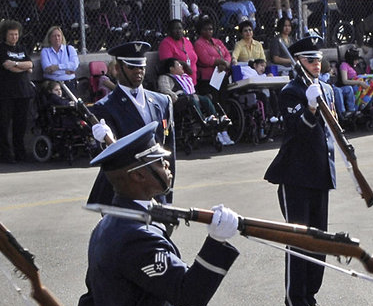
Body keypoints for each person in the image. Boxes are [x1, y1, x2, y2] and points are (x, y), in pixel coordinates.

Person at [78, 121, 240, 306]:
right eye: (159, 161)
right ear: (139, 175)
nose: (168, 164)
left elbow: (91, 303)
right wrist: (217, 243)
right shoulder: (136, 237)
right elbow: (191, 293)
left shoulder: (110, 224)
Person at [264, 35, 336, 306]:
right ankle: (295, 301)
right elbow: (298, 130)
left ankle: (310, 296)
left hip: (320, 171)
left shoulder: (327, 89)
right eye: (310, 60)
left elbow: (331, 133)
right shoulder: (291, 92)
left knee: (320, 239)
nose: (316, 64)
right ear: (298, 63)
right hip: (295, 174)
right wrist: (310, 109)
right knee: (299, 240)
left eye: (318, 59)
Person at [88, 41, 176, 205]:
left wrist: (167, 194)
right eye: (131, 67)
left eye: (141, 67)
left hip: (156, 190)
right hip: (123, 194)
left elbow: (169, 149)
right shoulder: (105, 107)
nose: (138, 71)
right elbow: (108, 149)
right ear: (117, 69)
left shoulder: (162, 102)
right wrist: (102, 139)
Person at [157, 57, 233, 145]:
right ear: (171, 68)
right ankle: (203, 121)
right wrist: (176, 97)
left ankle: (215, 118)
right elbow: (165, 90)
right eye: (178, 65)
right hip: (179, 101)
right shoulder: (165, 78)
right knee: (191, 100)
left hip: (190, 97)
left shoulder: (184, 77)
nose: (182, 66)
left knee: (206, 99)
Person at [0, 19, 35, 163]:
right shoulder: (0, 49)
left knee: (20, 124)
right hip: (6, 93)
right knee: (4, 124)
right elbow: (8, 67)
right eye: (11, 34)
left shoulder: (22, 48)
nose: (14, 37)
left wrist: (16, 63)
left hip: (23, 92)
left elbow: (30, 65)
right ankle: (5, 154)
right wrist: (22, 67)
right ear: (5, 35)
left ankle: (20, 153)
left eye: (16, 34)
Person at [192, 17, 231, 93]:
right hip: (208, 78)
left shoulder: (217, 41)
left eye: (210, 29)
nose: (208, 31)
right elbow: (206, 60)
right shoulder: (198, 44)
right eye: (205, 29)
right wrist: (222, 62)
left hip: (222, 73)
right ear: (200, 31)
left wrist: (225, 63)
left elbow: (227, 54)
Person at [39, 25, 79, 93]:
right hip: (52, 84)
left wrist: (57, 67)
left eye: (58, 35)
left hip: (69, 83)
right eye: (54, 36)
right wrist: (65, 71)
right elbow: (47, 69)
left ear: (62, 37)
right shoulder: (45, 51)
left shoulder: (70, 49)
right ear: (49, 38)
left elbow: (74, 65)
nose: (57, 38)